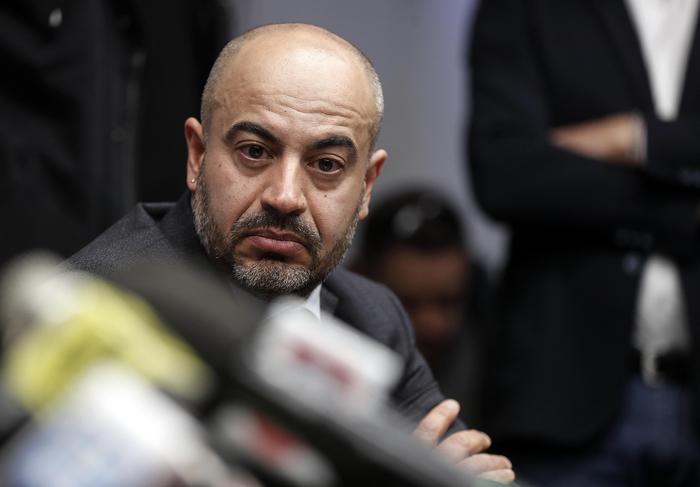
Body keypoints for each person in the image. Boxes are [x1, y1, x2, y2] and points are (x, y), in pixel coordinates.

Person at [68, 23, 514, 484]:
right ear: (197, 156)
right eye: (255, 152)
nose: (285, 197)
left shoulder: (373, 318)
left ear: (366, 185)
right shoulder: (96, 310)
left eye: (326, 165)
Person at [469, 0, 700, 485]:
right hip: (564, 396)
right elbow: (505, 171)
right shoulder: (529, 9)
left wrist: (634, 137)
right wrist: (681, 210)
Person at [352, 188, 487, 425]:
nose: (431, 324)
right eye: (407, 303)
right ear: (360, 280)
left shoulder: (492, 364)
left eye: (447, 302)